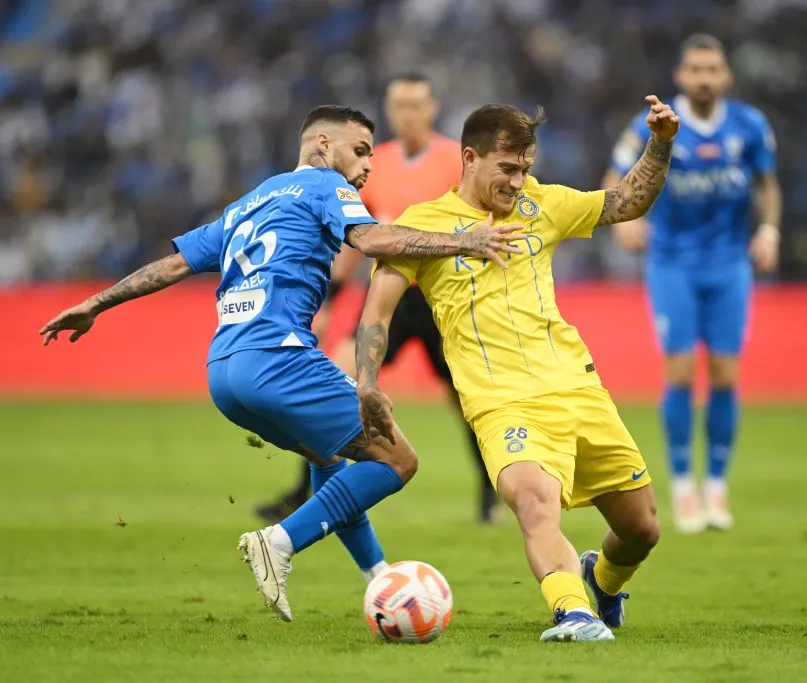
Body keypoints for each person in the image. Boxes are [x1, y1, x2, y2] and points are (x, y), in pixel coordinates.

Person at [39, 105, 522, 621]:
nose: (366, 167)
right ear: (320, 146)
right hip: (279, 358)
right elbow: (374, 240)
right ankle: (280, 541)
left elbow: (175, 264)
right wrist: (464, 241)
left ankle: (380, 578)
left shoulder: (250, 201)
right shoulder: (325, 188)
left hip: (224, 371)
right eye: (359, 151)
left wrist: (96, 302)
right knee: (399, 460)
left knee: (327, 460)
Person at [353, 97, 679, 642]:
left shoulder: (544, 205)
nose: (518, 182)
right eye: (507, 169)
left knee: (642, 529)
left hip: (579, 390)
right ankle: (572, 611)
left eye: (525, 169)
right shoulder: (424, 227)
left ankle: (600, 582)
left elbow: (628, 201)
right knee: (534, 503)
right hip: (501, 402)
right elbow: (376, 312)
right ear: (470, 157)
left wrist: (661, 143)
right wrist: (367, 382)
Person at [255, 73, 499, 526]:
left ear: (432, 109)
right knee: (336, 381)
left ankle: (491, 495)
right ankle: (303, 493)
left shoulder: (455, 161)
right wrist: (328, 299)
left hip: (442, 300)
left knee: (468, 403)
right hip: (386, 294)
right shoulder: (374, 162)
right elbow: (355, 235)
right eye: (398, 105)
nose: (406, 113)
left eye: (415, 104)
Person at [605, 34, 781, 534]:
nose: (705, 77)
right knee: (680, 370)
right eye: (696, 69)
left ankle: (717, 485)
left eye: (713, 69)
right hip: (672, 263)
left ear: (725, 76)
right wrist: (624, 219)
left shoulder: (749, 125)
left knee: (725, 373)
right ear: (681, 76)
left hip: (729, 265)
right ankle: (683, 485)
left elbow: (767, 185)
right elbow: (615, 174)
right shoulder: (658, 123)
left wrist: (768, 229)